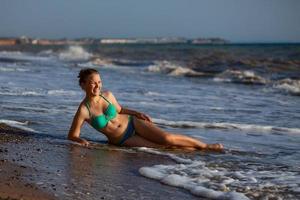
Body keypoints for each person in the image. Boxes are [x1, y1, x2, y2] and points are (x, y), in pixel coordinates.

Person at [68, 68, 223, 151]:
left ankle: (204, 146)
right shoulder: (83, 110)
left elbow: (120, 110)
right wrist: (80, 140)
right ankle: (193, 152)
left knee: (167, 138)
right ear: (83, 84)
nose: (97, 86)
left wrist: (137, 113)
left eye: (99, 82)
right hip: (123, 139)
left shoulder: (108, 95)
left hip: (133, 123)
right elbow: (72, 135)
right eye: (92, 83)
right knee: (162, 148)